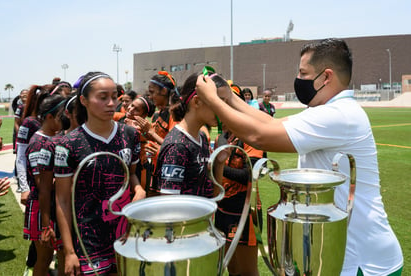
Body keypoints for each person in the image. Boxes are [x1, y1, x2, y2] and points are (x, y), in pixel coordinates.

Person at [195, 38, 403, 276]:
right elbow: (270, 123)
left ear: (326, 77)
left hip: (362, 261)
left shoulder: (339, 115)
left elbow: (259, 135)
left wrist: (211, 99)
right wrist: (229, 98)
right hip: (344, 253)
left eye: (304, 73)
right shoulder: (325, 112)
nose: (299, 79)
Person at [54, 71, 145, 276]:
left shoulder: (129, 135)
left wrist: (139, 189)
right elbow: (62, 200)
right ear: (84, 100)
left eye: (114, 97)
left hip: (126, 234)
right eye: (103, 97)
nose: (111, 103)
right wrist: (68, 252)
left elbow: (132, 175)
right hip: (88, 240)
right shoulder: (68, 144)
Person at [153, 72, 229, 197]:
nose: (223, 109)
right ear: (197, 102)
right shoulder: (177, 146)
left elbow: (214, 195)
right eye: (218, 102)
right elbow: (170, 207)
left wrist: (219, 163)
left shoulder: (201, 137)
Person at [23, 93, 65, 276]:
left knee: (61, 253)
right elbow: (43, 185)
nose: (64, 119)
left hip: (52, 206)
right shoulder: (39, 142)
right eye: (61, 115)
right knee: (44, 259)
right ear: (49, 117)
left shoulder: (54, 137)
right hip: (42, 208)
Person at [214, 120, 263, 276]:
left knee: (247, 271)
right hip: (222, 210)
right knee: (231, 268)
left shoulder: (251, 139)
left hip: (244, 212)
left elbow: (249, 175)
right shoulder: (221, 139)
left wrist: (219, 165)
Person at [124, 96, 156, 189]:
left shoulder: (146, 128)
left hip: (139, 169)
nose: (131, 109)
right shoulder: (123, 119)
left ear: (144, 115)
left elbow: (148, 138)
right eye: (132, 105)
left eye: (136, 109)